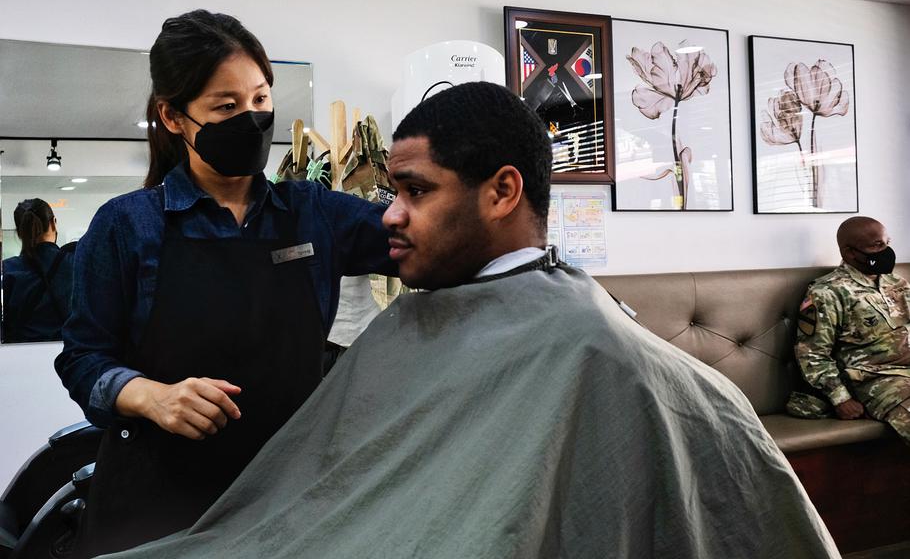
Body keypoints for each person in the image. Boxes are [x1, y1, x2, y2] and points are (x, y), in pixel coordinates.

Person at [103, 82, 837, 559]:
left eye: (415, 191)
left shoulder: (601, 353)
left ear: (501, 192)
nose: (388, 214)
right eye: (391, 190)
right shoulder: (416, 323)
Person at [53, 10, 395, 556]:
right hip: (158, 508)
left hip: (285, 502)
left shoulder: (314, 214)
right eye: (226, 107)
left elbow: (423, 245)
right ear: (172, 116)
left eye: (261, 99)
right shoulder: (126, 225)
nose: (252, 118)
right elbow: (81, 358)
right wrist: (150, 396)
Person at [794, 216, 909, 442]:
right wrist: (840, 398)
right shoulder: (827, 292)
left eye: (887, 243)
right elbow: (812, 353)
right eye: (877, 246)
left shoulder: (897, 283)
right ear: (850, 253)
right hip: (876, 380)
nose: (886, 251)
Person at [1, 198, 75, 342]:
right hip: (69, 355)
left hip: (17, 357)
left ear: (19, 232)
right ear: (53, 223)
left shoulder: (7, 269)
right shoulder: (76, 265)